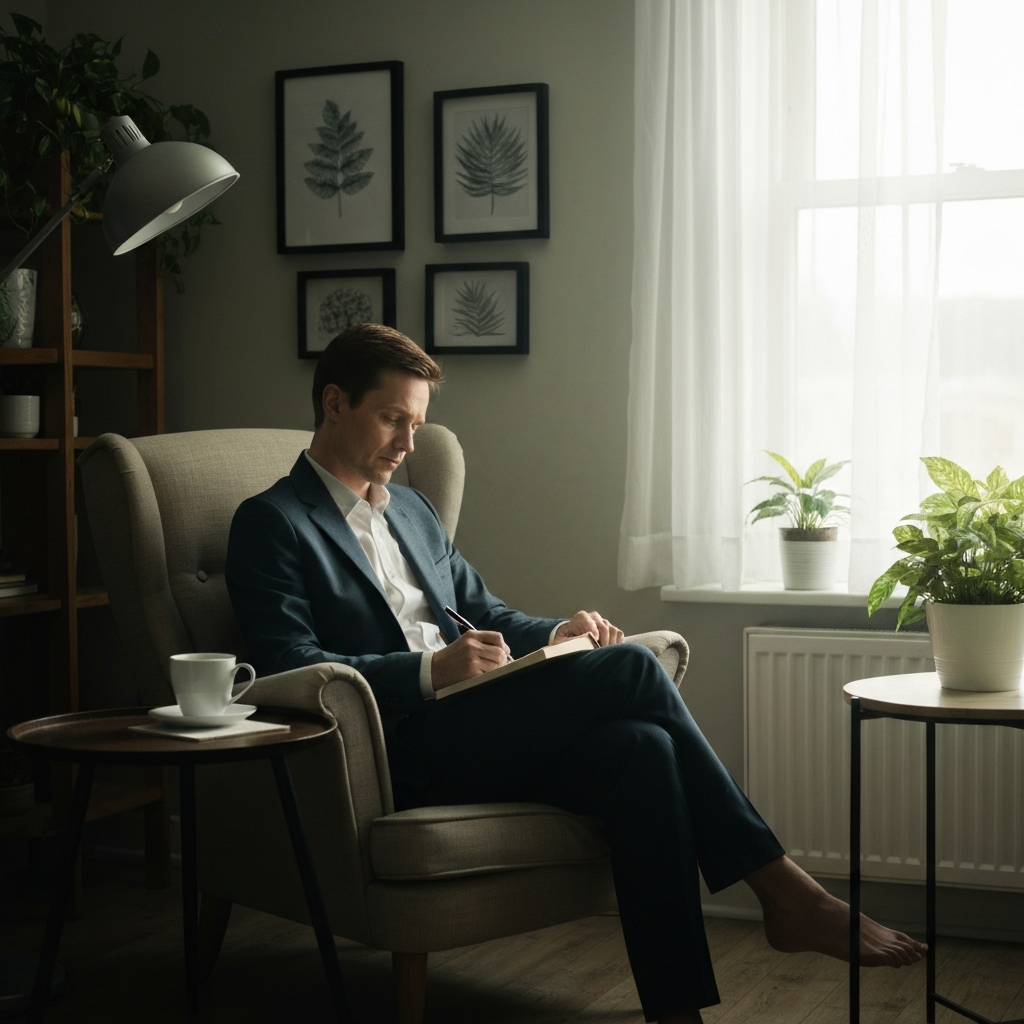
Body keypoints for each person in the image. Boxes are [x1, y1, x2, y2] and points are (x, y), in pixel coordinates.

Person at [225, 323, 925, 1024]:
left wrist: (556, 632)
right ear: (335, 402)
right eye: (392, 419)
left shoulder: (412, 509)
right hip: (402, 748)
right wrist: (427, 671)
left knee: (641, 750)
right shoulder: (272, 522)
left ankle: (677, 1011)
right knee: (627, 669)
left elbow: (483, 609)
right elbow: (292, 665)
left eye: (417, 423)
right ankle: (790, 896)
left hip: (483, 725)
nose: (409, 443)